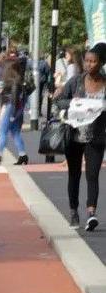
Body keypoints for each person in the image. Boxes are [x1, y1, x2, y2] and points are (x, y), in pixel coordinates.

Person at [55, 47, 106, 230]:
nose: (90, 64)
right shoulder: (76, 81)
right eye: (87, 61)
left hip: (96, 136)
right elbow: (59, 100)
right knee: (74, 174)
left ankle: (91, 213)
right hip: (74, 135)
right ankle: (73, 211)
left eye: (93, 61)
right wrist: (73, 103)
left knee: (93, 175)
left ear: (100, 63)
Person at [0, 45, 29, 165]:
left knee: (3, 131)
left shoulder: (12, 82)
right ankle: (23, 155)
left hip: (10, 107)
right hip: (16, 109)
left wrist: (10, 114)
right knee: (15, 132)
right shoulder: (17, 80)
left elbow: (12, 98)